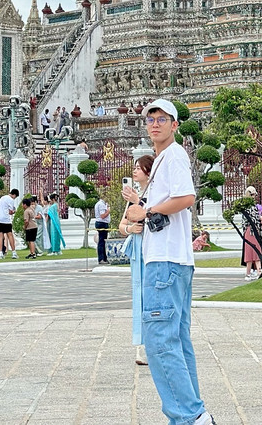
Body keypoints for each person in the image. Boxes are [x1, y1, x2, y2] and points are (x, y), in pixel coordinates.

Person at [122, 98, 214, 425]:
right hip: (172, 260)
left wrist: (146, 211)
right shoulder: (163, 159)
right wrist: (142, 208)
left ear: (175, 125)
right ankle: (194, 415)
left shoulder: (173, 155)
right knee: (176, 341)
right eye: (151, 119)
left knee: (159, 341)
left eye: (162, 119)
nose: (155, 124)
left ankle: (190, 417)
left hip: (165, 263)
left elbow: (186, 198)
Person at [119, 154, 154, 366]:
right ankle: (141, 346)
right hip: (138, 247)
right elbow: (122, 225)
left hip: (152, 249)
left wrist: (137, 202)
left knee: (151, 294)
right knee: (139, 294)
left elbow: (154, 215)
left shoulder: (154, 193)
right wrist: (130, 229)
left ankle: (152, 344)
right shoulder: (137, 194)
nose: (134, 171)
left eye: (139, 168)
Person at [241, 186, 262, 281]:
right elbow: (254, 219)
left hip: (252, 230)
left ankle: (257, 271)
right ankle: (250, 272)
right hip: (251, 231)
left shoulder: (250, 206)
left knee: (256, 251)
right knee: (251, 252)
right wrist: (260, 219)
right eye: (253, 195)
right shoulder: (249, 207)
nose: (255, 197)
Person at [0, 188, 20, 259]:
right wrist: (14, 211)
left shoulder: (2, 197)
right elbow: (10, 211)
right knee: (10, 235)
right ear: (14, 195)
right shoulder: (11, 200)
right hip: (5, 219)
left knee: (0, 236)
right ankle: (14, 252)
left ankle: (0, 253)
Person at [94, 195, 110, 264]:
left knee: (103, 241)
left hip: (101, 223)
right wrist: (108, 211)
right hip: (102, 223)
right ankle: (101, 259)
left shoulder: (101, 204)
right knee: (101, 242)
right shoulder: (101, 204)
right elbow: (102, 215)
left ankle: (104, 258)